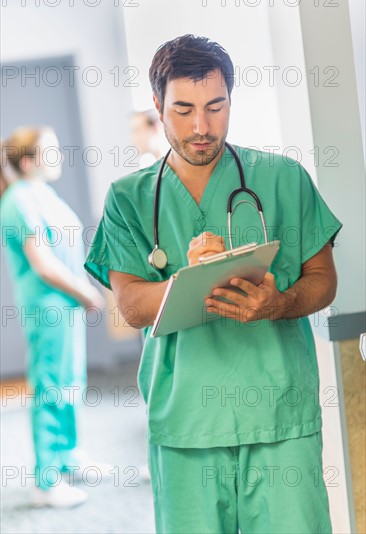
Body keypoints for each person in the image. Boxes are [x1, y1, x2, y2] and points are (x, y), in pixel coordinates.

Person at [84, 35, 342, 533]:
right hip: (187, 422)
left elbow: (324, 282)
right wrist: (188, 281)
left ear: (231, 101)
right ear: (157, 106)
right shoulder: (128, 199)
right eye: (183, 110)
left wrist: (279, 302)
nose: (201, 127)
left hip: (278, 415)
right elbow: (133, 306)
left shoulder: (284, 178)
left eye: (215, 107)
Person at [1, 126, 108, 508]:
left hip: (66, 306)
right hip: (49, 306)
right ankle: (46, 481)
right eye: (51, 150)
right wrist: (85, 292)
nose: (59, 155)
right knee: (50, 387)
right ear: (28, 162)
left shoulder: (43, 193)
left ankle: (69, 457)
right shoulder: (18, 200)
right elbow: (43, 264)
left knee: (70, 383)